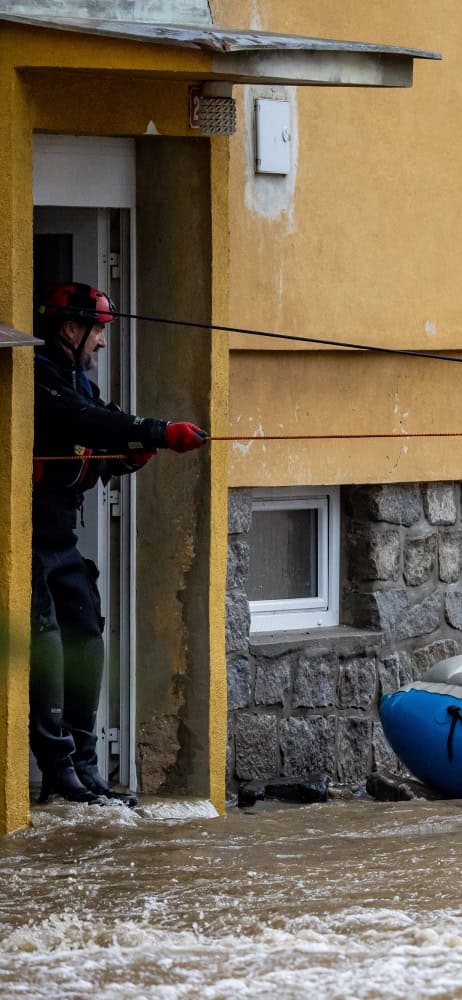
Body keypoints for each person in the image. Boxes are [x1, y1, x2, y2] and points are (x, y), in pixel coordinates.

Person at [31, 283, 209, 805]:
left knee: (86, 638)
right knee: (46, 651)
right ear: (71, 329)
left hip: (61, 541)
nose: (103, 344)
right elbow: (86, 423)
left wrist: (131, 454)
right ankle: (59, 771)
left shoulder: (76, 382)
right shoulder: (41, 376)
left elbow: (99, 440)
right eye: (100, 332)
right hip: (28, 542)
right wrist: (155, 431)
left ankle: (85, 766)